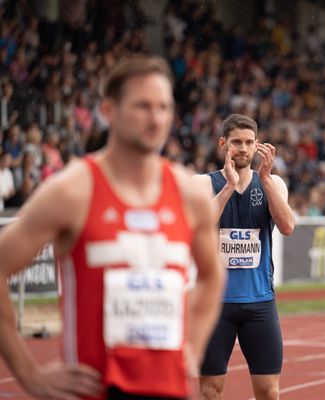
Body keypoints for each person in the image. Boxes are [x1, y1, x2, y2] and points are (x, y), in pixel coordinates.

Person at [0, 55, 225, 399]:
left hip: (170, 389)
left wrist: (192, 345)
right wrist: (29, 374)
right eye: (143, 106)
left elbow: (212, 274)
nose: (156, 119)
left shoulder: (186, 194)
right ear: (108, 110)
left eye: (164, 107)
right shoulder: (72, 190)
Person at [193, 114, 295, 400]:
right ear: (223, 144)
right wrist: (228, 186)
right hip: (215, 305)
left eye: (249, 142)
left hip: (260, 303)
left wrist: (265, 180)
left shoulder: (273, 183)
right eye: (236, 142)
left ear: (257, 146)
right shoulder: (203, 184)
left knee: (268, 391)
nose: (243, 148)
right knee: (210, 391)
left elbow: (287, 226)